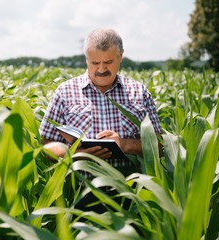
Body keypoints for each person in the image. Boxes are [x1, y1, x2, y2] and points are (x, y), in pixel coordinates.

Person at [39, 27, 163, 214]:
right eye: (95, 62)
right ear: (86, 59)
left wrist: (124, 145)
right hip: (80, 194)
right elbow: (46, 143)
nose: (101, 69)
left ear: (120, 56)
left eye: (108, 62)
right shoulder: (65, 92)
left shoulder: (139, 92)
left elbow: (160, 145)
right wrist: (76, 154)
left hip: (133, 195)